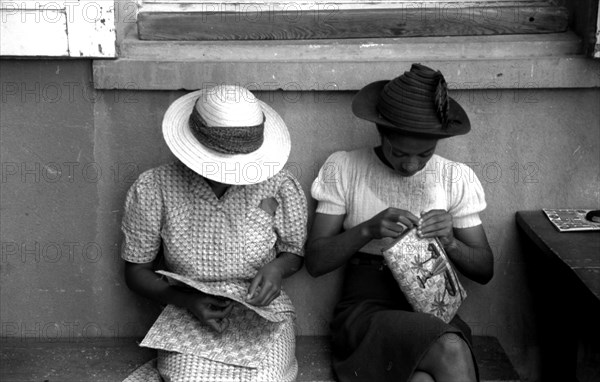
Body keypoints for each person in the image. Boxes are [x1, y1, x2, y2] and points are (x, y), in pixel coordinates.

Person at [306, 64, 494, 382]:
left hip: (431, 309)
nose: (410, 165)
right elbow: (315, 261)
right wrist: (367, 229)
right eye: (399, 152)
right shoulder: (346, 168)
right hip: (366, 312)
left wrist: (450, 242)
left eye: (425, 154)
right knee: (449, 347)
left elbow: (485, 269)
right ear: (380, 133)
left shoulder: (453, 177)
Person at [121, 85, 307, 382]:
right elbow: (136, 271)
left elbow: (293, 253)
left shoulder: (279, 185)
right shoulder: (155, 187)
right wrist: (186, 301)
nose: (228, 173)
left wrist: (277, 268)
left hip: (263, 313)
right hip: (187, 309)